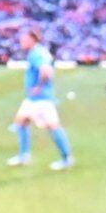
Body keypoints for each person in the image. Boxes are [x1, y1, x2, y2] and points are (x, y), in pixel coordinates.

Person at [10, 40, 73, 170]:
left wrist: (39, 87)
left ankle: (67, 158)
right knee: (21, 121)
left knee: (53, 126)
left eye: (24, 40)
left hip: (41, 99)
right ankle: (24, 156)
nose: (22, 42)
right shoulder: (40, 52)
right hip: (33, 99)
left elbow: (46, 71)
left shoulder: (36, 53)